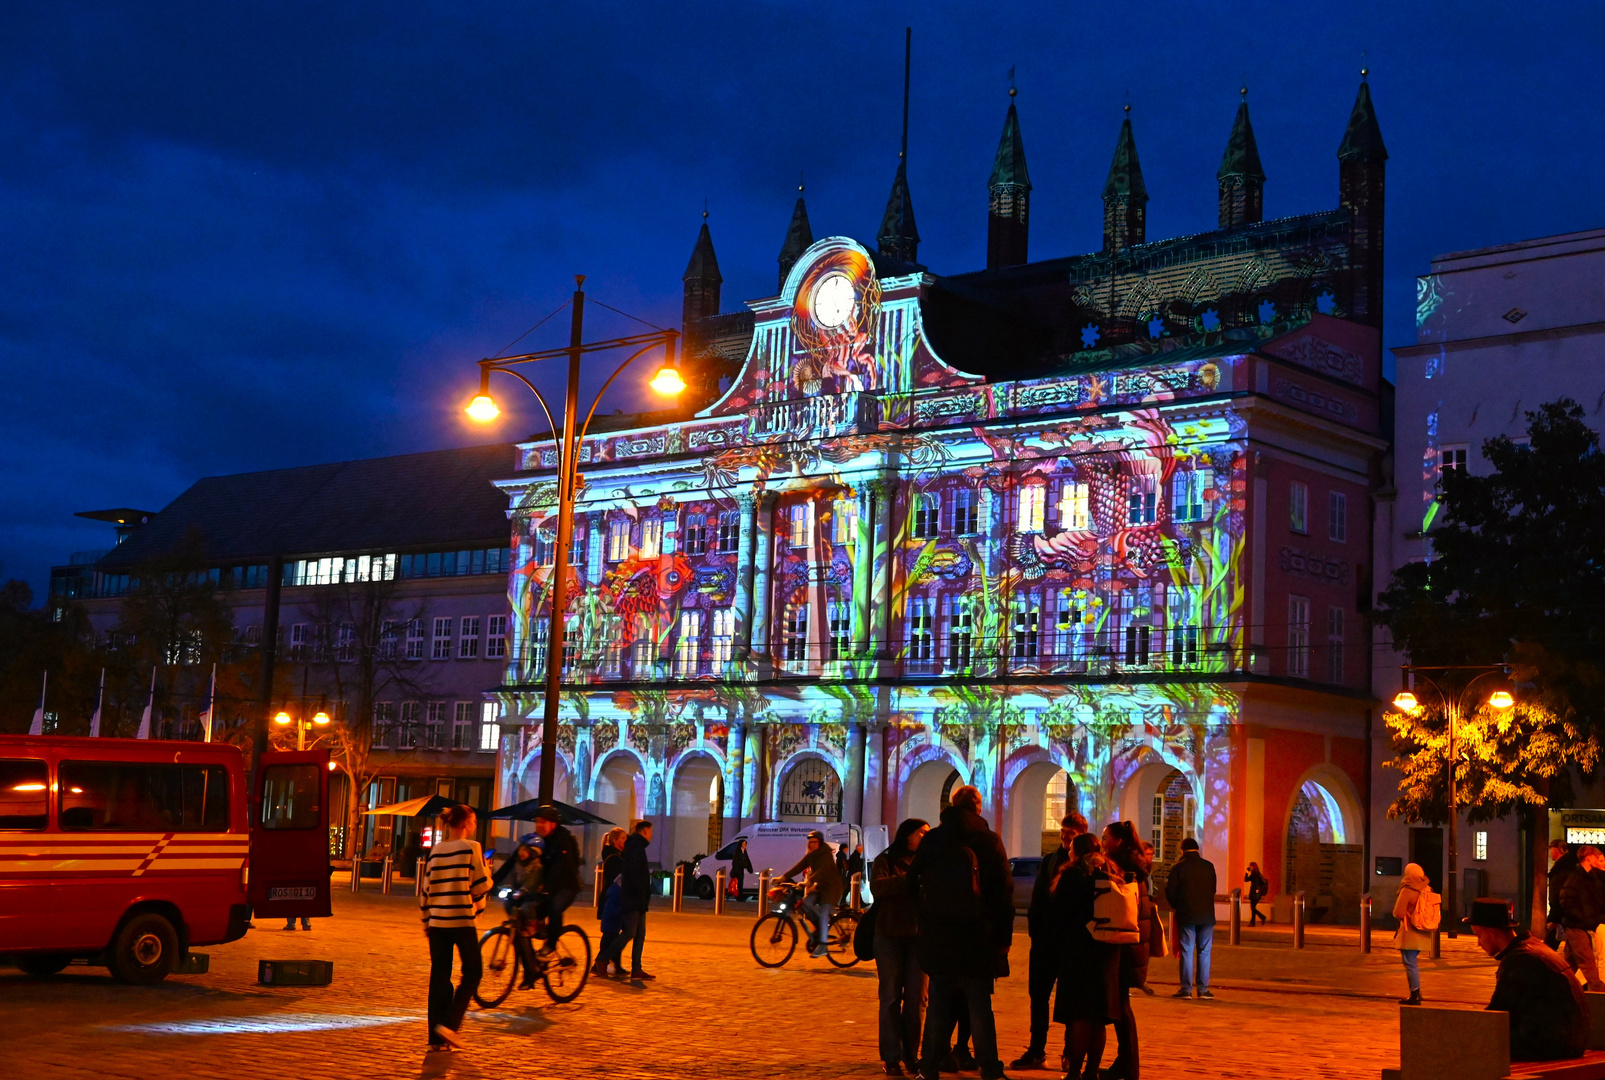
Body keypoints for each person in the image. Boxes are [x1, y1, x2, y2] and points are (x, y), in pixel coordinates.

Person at [910, 784, 1014, 1080]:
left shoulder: (933, 839)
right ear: (978, 807)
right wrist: (1003, 939)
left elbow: (911, 881)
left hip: (939, 936)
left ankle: (928, 1067)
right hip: (978, 936)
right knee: (980, 1005)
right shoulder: (988, 840)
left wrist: (926, 919)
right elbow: (1004, 893)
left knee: (939, 1005)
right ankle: (990, 1069)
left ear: (953, 805)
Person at [1010, 812, 1087, 1071]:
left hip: (1069, 945)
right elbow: (1038, 899)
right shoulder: (1051, 859)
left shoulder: (1084, 865)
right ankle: (1036, 1049)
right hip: (1045, 942)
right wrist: (1036, 931)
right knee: (1038, 997)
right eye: (1063, 831)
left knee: (1069, 1001)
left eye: (1071, 833)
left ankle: (1070, 1052)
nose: (1065, 836)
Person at [1470, 897, 1589, 1062]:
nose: (1478, 943)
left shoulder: (1520, 959)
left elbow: (1498, 1015)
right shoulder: (1533, 947)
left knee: (1472, 1043)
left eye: (1479, 935)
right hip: (1569, 1040)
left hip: (1552, 1045)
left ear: (1492, 931)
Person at [1050, 832, 1120, 1080]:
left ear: (1076, 852)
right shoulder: (1112, 872)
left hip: (1077, 953)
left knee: (1079, 1015)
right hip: (1107, 952)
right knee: (1098, 1017)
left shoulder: (1071, 875)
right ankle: (1091, 1071)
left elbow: (1059, 916)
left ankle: (1074, 1072)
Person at [419, 804, 489, 1051]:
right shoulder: (472, 848)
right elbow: (480, 885)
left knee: (439, 977)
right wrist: (488, 875)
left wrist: (427, 921)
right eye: (474, 821)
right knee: (472, 972)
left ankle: (434, 1039)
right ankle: (449, 1025)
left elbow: (426, 890)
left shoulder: (436, 851)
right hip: (461, 919)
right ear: (466, 824)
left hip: (437, 921)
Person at [871, 818, 929, 1076]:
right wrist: (909, 879)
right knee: (891, 997)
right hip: (889, 935)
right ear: (908, 835)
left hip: (919, 937)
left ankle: (912, 1054)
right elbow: (879, 887)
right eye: (921, 833)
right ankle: (891, 1056)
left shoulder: (929, 862)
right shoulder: (887, 859)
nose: (925, 837)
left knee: (918, 999)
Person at [1100, 821, 1152, 1080]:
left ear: (1118, 841)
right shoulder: (1136, 865)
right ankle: (1125, 1063)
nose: (1102, 841)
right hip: (1132, 944)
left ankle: (1129, 1066)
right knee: (1121, 1005)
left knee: (1121, 1006)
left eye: (1106, 837)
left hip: (1122, 944)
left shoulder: (1120, 868)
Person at [1164, 837, 1217, 1000]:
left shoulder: (1179, 868)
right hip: (1207, 915)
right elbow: (1213, 889)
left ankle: (1186, 989)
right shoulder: (1208, 867)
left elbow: (1170, 892)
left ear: (1182, 850)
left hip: (1187, 914)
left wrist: (1177, 905)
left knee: (1187, 950)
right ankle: (1203, 989)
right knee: (1204, 951)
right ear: (1197, 849)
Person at [781, 830, 845, 958]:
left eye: (815, 842)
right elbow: (799, 866)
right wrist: (783, 877)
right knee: (804, 904)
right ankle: (820, 927)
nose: (812, 845)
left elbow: (822, 871)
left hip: (832, 888)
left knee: (823, 912)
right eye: (810, 842)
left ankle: (823, 946)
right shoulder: (811, 855)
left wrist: (808, 882)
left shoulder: (825, 854)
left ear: (820, 842)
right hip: (820, 887)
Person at [533, 806, 581, 952]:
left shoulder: (564, 840)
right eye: (537, 821)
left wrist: (546, 886)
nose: (539, 825)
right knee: (527, 911)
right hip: (547, 885)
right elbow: (518, 858)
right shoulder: (536, 839)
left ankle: (551, 945)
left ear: (553, 824)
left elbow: (560, 867)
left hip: (567, 885)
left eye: (543, 822)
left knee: (555, 908)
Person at [1560, 844, 1605, 991]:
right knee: (1588, 964)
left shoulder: (1590, 878)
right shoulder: (1576, 877)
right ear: (1589, 858)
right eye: (1596, 858)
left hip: (1581, 925)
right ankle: (1598, 993)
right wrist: (1584, 918)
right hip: (1577, 926)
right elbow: (1566, 900)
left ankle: (1555, 990)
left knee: (1567, 966)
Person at [501, 841, 544, 989]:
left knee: (524, 937)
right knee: (519, 938)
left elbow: (532, 881)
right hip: (519, 902)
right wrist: (505, 887)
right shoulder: (517, 864)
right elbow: (510, 878)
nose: (522, 852)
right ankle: (529, 970)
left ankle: (531, 972)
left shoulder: (536, 865)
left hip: (532, 903)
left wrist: (524, 890)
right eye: (521, 849)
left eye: (525, 850)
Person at [1391, 862, 1434, 1006]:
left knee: (1410, 963)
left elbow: (1398, 912)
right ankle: (1417, 991)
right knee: (1413, 962)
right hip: (1422, 931)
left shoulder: (1408, 890)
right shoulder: (1427, 888)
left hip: (1409, 932)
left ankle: (1414, 994)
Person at [618, 819, 655, 981]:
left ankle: (636, 968)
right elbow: (634, 873)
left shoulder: (635, 845)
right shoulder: (635, 846)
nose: (651, 835)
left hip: (638, 896)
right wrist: (641, 891)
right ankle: (603, 959)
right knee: (630, 933)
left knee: (639, 934)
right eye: (651, 832)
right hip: (635, 896)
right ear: (645, 831)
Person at [594, 828, 627, 977]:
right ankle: (600, 962)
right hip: (611, 898)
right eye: (623, 838)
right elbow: (618, 878)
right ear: (615, 841)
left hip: (613, 898)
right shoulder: (614, 858)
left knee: (613, 933)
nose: (625, 841)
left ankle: (613, 964)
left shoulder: (617, 856)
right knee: (610, 934)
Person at [1547, 839, 1578, 950]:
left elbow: (1558, 893)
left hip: (1562, 914)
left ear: (1558, 850)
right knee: (1572, 950)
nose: (1550, 853)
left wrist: (1554, 917)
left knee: (1548, 948)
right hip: (1564, 914)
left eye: (1551, 849)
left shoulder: (1562, 869)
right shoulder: (1567, 866)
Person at [1243, 862, 1268, 927]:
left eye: (1251, 866)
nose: (1250, 867)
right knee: (1253, 908)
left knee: (1253, 908)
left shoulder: (1257, 874)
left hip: (1256, 893)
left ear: (1254, 867)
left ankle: (1254, 921)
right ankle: (1260, 918)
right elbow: (1246, 880)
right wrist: (1246, 873)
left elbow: (1264, 883)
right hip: (1252, 893)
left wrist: (1259, 889)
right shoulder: (1253, 874)